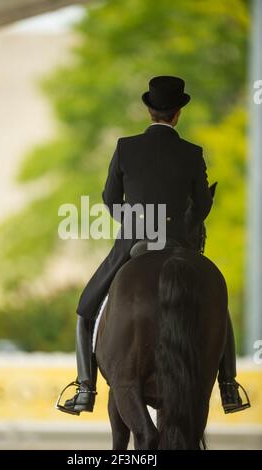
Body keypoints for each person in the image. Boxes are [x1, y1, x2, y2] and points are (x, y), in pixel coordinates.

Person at [57, 76, 250, 416]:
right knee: (219, 310)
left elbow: (109, 198)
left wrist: (134, 223)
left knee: (86, 309)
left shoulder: (125, 147)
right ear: (178, 114)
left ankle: (85, 388)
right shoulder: (192, 153)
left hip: (134, 242)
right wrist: (184, 227)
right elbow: (203, 205)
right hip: (178, 243)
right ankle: (229, 386)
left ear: (149, 110)